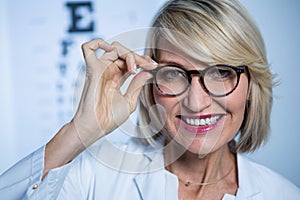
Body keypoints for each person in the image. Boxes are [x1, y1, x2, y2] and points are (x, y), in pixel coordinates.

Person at [1, 0, 300, 199]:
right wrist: (80, 130)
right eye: (173, 74)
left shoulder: (283, 194)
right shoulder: (93, 174)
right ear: (151, 83)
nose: (196, 103)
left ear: (251, 84)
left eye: (221, 72)